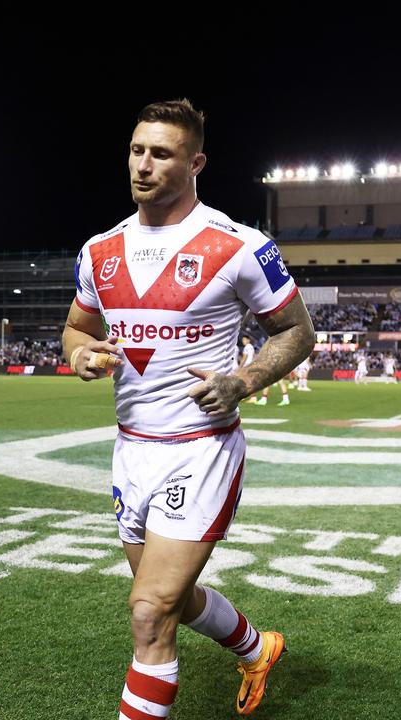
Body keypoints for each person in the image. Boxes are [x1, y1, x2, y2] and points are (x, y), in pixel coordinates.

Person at [62, 99, 314, 718]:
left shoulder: (237, 246)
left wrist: (242, 381)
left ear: (195, 162)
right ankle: (258, 649)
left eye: (162, 154)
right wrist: (81, 357)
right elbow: (74, 328)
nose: (143, 165)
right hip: (131, 450)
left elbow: (297, 332)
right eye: (136, 150)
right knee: (172, 598)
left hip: (200, 450)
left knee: (149, 613)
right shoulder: (100, 251)